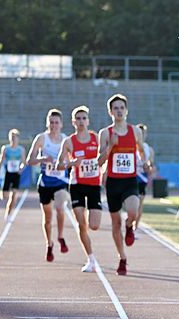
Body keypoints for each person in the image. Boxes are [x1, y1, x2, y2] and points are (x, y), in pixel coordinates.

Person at [97, 94, 145, 276]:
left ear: (126, 111)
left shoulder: (135, 132)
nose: (119, 111)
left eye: (121, 108)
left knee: (133, 210)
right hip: (113, 183)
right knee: (115, 224)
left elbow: (141, 150)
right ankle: (122, 258)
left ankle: (130, 226)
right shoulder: (105, 133)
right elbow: (99, 162)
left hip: (130, 180)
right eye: (115, 108)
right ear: (110, 112)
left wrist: (145, 161)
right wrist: (110, 147)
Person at [56, 105, 102, 272]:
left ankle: (90, 255)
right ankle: (90, 259)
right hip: (76, 185)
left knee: (94, 225)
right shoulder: (68, 142)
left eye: (84, 118)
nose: (81, 121)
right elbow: (58, 165)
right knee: (81, 224)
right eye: (78, 119)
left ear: (88, 121)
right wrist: (71, 163)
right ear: (73, 122)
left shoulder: (95, 138)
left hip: (94, 185)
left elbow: (104, 156)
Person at [26, 108, 70, 262]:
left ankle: (60, 236)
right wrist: (43, 159)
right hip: (45, 183)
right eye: (51, 122)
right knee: (47, 218)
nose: (54, 125)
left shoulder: (66, 139)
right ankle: (49, 243)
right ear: (47, 123)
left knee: (60, 207)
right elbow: (29, 161)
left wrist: (65, 163)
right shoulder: (41, 138)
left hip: (61, 182)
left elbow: (71, 162)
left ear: (61, 124)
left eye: (56, 122)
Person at [0, 128, 26, 223]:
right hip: (8, 173)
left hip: (16, 174)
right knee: (4, 196)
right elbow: (0, 160)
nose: (13, 139)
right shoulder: (5, 148)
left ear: (18, 138)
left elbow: (24, 162)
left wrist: (21, 169)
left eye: (14, 137)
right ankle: (3, 190)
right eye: (11, 137)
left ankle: (8, 214)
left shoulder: (21, 149)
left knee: (14, 195)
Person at [135, 123, 155, 230]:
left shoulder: (149, 149)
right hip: (131, 176)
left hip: (142, 177)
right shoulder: (130, 146)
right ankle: (130, 221)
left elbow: (151, 166)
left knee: (140, 202)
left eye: (143, 133)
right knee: (131, 202)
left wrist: (148, 167)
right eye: (139, 133)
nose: (141, 135)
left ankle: (135, 226)